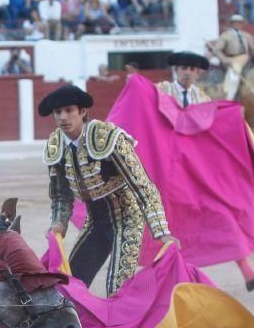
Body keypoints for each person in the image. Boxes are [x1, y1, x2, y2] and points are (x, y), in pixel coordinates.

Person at [155, 51, 254, 292]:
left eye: (192, 68)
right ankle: (169, 282)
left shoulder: (202, 99)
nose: (187, 71)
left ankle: (248, 273)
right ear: (176, 70)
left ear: (198, 73)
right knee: (171, 225)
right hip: (168, 172)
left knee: (223, 215)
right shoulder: (160, 91)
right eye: (183, 67)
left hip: (197, 173)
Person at [41, 84, 178, 296]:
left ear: (83, 112)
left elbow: (143, 186)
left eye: (69, 110)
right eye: (58, 112)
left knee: (117, 291)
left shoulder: (108, 138)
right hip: (96, 222)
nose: (63, 117)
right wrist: (58, 222)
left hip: (127, 219)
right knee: (70, 289)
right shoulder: (55, 145)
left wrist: (162, 232)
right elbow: (61, 196)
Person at [213, 14, 254, 100]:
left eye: (239, 23)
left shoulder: (247, 35)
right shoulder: (226, 35)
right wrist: (224, 59)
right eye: (235, 23)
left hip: (245, 58)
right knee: (234, 73)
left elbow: (253, 49)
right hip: (232, 59)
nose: (237, 25)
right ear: (231, 24)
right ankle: (229, 97)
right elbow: (217, 50)